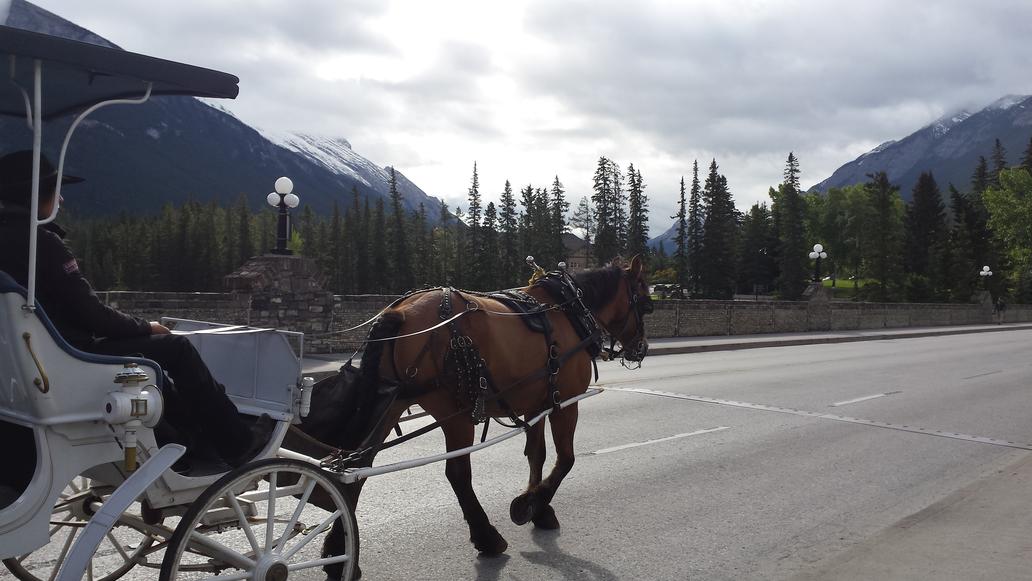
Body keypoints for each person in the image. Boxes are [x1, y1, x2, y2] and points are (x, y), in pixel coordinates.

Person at [0, 150, 271, 468]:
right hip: (67, 358)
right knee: (177, 348)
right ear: (35, 195)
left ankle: (188, 441)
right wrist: (146, 326)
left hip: (31, 364)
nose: (60, 200)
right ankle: (236, 442)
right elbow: (93, 316)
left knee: (149, 360)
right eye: (55, 191)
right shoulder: (42, 244)